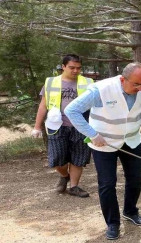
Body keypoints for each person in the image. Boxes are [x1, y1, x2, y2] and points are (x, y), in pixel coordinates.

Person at [64, 62, 141, 240]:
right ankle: (113, 223)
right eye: (136, 84)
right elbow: (71, 110)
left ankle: (131, 212)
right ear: (122, 79)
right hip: (103, 143)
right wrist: (92, 134)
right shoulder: (101, 89)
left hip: (132, 140)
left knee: (135, 180)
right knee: (107, 183)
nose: (140, 88)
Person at [31, 54, 94, 198]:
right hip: (57, 125)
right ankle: (64, 175)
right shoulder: (51, 83)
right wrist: (37, 126)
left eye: (78, 68)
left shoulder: (88, 82)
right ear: (63, 67)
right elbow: (43, 106)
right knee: (57, 158)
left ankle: (74, 186)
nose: (75, 71)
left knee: (79, 158)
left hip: (81, 125)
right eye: (72, 67)